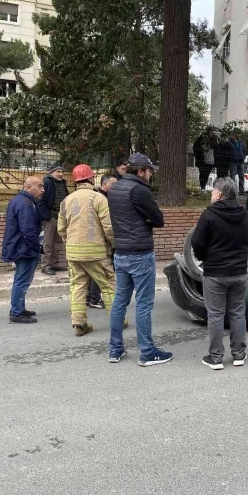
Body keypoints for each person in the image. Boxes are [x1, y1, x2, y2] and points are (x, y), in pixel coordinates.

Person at [107, 153, 172, 366]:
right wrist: (145, 219)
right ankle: (147, 352)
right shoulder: (140, 190)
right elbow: (159, 219)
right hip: (140, 253)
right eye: (149, 170)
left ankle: (115, 349)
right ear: (141, 171)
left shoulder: (114, 188)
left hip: (121, 252)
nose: (151, 174)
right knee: (144, 304)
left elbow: (123, 216)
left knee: (120, 301)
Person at [191, 177, 248, 370]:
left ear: (220, 194)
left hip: (215, 273)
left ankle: (216, 357)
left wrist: (205, 257)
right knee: (238, 312)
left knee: (215, 315)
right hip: (238, 272)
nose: (211, 194)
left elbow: (197, 242)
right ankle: (239, 354)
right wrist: (239, 255)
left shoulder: (209, 215)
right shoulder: (246, 216)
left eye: (213, 191)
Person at [57, 165, 117, 337]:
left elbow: (61, 229)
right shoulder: (98, 198)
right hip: (96, 252)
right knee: (108, 285)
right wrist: (113, 244)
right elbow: (109, 227)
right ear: (91, 179)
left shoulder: (66, 201)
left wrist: (69, 242)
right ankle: (116, 321)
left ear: (75, 181)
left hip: (73, 253)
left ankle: (79, 324)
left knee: (77, 287)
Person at [2, 177, 44, 324]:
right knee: (22, 280)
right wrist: (36, 247)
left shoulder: (21, 201)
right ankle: (16, 313)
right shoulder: (25, 204)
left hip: (21, 247)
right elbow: (28, 230)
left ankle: (19, 307)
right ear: (28, 187)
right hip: (24, 249)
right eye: (39, 186)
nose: (42, 190)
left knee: (21, 279)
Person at [87, 174, 118, 309]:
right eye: (113, 184)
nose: (115, 187)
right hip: (100, 241)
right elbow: (107, 224)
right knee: (100, 272)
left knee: (91, 272)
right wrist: (113, 241)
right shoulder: (101, 198)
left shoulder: (100, 196)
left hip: (90, 241)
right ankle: (94, 298)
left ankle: (89, 298)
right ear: (104, 184)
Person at [38, 163, 68, 275]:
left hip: (60, 217)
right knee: (48, 243)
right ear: (51, 172)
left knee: (58, 242)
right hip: (51, 217)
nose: (60, 174)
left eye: (62, 172)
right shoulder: (46, 182)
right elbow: (40, 201)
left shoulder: (63, 183)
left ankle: (54, 264)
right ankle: (45, 266)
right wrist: (47, 216)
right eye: (58, 172)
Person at [193, 127, 217, 191]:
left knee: (207, 174)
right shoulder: (202, 138)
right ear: (207, 132)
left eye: (213, 131)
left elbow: (216, 147)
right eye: (211, 131)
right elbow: (198, 148)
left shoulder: (215, 138)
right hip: (202, 159)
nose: (212, 133)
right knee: (202, 173)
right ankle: (202, 187)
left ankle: (204, 186)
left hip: (211, 159)